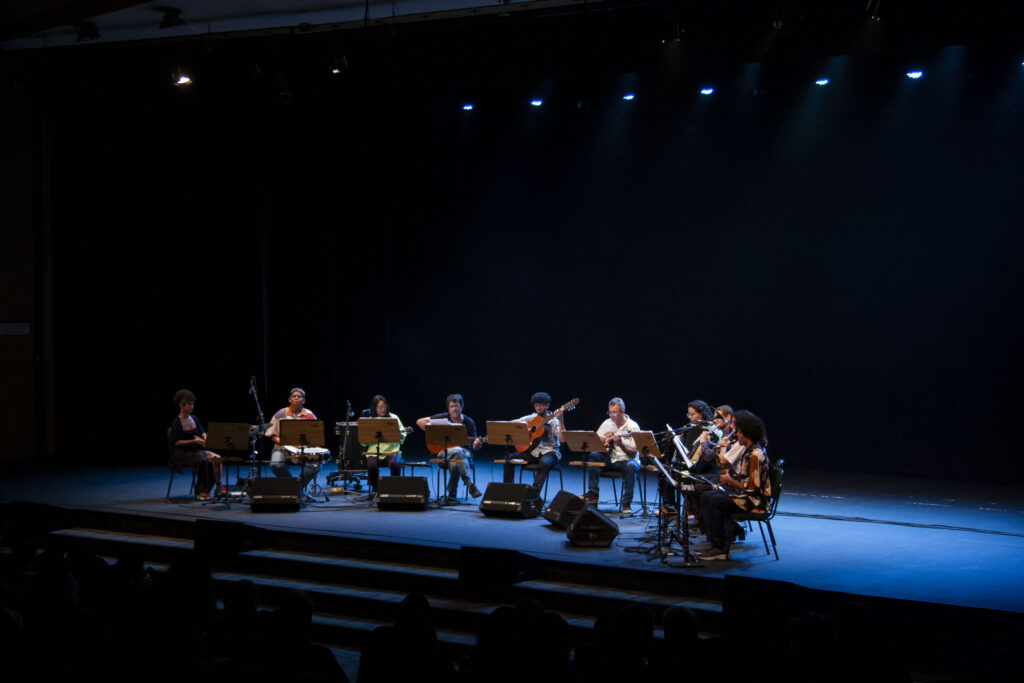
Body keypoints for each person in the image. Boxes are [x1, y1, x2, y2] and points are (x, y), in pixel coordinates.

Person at [696, 409, 771, 560]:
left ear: (747, 433)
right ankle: (717, 543)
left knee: (714, 499)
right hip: (747, 497)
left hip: (754, 502)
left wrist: (730, 481)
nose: (736, 434)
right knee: (707, 495)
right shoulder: (749, 451)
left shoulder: (755, 455)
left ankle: (721, 548)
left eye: (739, 432)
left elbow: (751, 489)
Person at [416, 394, 483, 504]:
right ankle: (470, 484)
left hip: (464, 453)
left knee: (456, 457)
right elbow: (419, 421)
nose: (455, 409)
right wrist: (433, 433)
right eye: (452, 406)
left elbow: (476, 447)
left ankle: (451, 496)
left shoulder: (468, 422)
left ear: (461, 407)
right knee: (457, 451)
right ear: (448, 408)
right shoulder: (443, 417)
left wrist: (477, 444)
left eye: (457, 406)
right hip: (443, 452)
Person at [502, 392, 566, 496]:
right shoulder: (533, 417)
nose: (538, 407)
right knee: (509, 458)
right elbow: (518, 421)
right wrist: (506, 425)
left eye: (541, 404)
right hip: (534, 452)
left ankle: (533, 494)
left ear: (547, 405)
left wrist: (561, 420)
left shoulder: (554, 421)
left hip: (551, 452)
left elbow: (562, 440)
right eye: (536, 405)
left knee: (543, 463)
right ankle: (508, 490)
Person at [585, 397, 641, 516]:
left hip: (627, 461)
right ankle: (592, 496)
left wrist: (621, 444)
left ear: (622, 412)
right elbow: (596, 444)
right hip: (611, 459)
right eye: (610, 412)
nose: (611, 415)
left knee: (631, 467)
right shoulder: (607, 423)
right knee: (594, 455)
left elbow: (634, 453)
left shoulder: (633, 427)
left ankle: (626, 503)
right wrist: (600, 442)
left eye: (614, 412)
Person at [168, 389, 222, 500]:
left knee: (217, 458)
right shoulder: (176, 422)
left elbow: (202, 431)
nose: (192, 406)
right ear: (181, 405)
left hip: (197, 450)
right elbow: (177, 442)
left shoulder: (194, 418)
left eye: (192, 404)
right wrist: (194, 441)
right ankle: (200, 492)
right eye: (189, 404)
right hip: (183, 453)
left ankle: (216, 488)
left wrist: (205, 437)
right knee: (202, 460)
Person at [265, 387, 320, 491]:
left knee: (315, 466)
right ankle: (293, 486)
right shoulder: (280, 414)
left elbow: (315, 437)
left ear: (303, 400)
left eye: (299, 397)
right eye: (294, 396)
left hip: (303, 449)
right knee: (276, 465)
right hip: (282, 448)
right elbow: (272, 434)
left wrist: (305, 445)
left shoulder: (310, 415)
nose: (296, 398)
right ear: (289, 399)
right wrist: (287, 444)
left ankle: (296, 488)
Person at [361, 394, 407, 499]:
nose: (383, 409)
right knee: (372, 465)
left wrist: (401, 435)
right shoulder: (369, 420)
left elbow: (403, 434)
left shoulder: (394, 418)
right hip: (374, 451)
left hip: (392, 451)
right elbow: (363, 443)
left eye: (385, 406)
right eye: (380, 407)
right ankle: (376, 489)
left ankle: (395, 490)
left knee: (393, 463)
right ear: (374, 408)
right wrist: (366, 437)